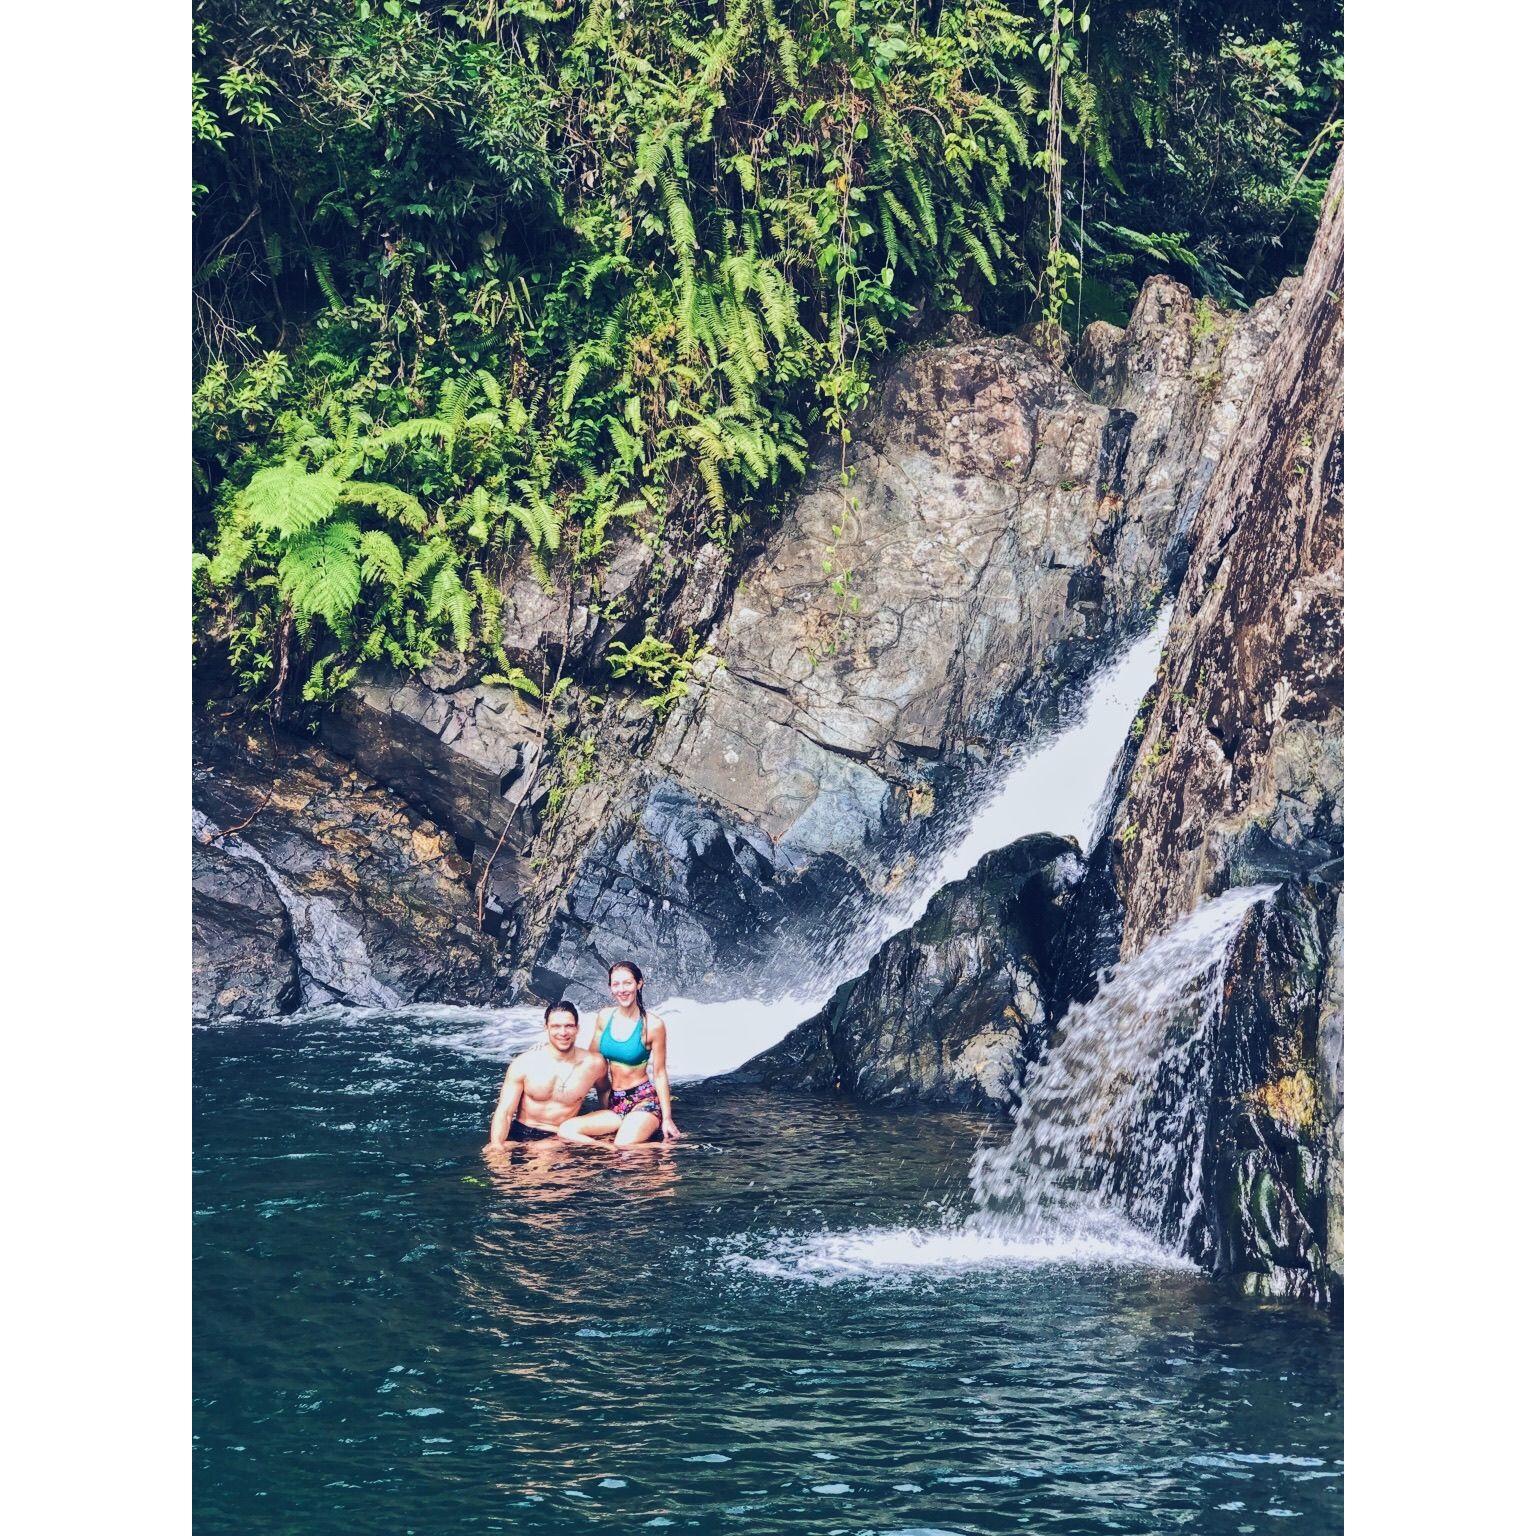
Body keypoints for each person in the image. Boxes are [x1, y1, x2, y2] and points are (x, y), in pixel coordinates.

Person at [558, 960, 682, 1146]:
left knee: (623, 1146)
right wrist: (549, 1050)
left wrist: (667, 1118)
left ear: (639, 984)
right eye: (616, 984)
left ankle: (656, 1148)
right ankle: (610, 1148)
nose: (621, 990)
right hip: (614, 1102)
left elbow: (660, 1074)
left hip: (643, 1101)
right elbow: (591, 1059)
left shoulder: (653, 1025)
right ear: (610, 987)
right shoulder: (605, 1017)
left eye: (627, 983)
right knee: (566, 1130)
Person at [483, 1001, 609, 1148]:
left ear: (577, 1028)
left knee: (545, 1154)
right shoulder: (524, 1063)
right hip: (520, 1132)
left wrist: (606, 1129)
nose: (563, 1032)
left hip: (559, 1138)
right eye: (556, 1026)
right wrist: (497, 1144)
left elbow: (604, 1090)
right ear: (546, 1028)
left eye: (569, 1026)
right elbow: (505, 1112)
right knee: (492, 1154)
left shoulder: (594, 1064)